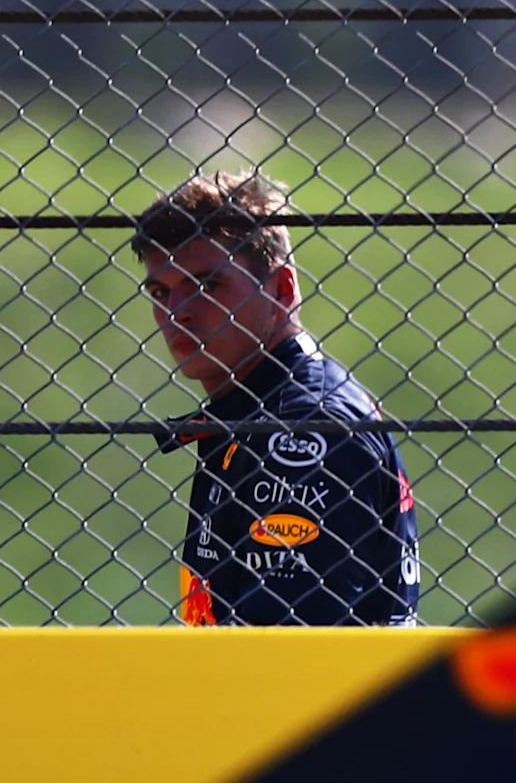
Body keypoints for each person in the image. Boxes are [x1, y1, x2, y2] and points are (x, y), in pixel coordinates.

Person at [130, 171, 421, 625]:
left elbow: (283, 654)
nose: (178, 312)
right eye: (161, 291)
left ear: (282, 289)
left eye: (208, 285)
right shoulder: (253, 411)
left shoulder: (304, 428)